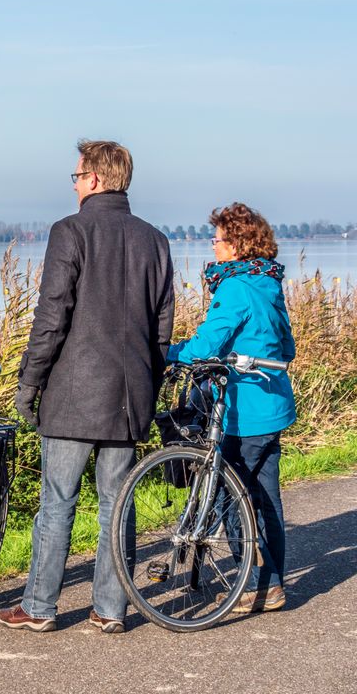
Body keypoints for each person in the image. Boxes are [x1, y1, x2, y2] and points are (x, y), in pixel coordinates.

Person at [0, 140, 175, 635]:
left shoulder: (70, 231)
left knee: (57, 501)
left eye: (76, 176)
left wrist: (29, 382)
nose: (74, 184)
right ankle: (111, 609)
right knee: (119, 504)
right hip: (128, 397)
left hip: (74, 395)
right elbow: (163, 328)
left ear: (95, 179)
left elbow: (51, 317)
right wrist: (149, 385)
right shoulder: (155, 240)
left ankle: (38, 607)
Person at [167, 202, 295, 613]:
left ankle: (255, 584)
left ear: (237, 244)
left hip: (242, 409)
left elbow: (205, 346)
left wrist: (165, 353)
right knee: (265, 496)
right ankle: (270, 583)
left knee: (231, 493)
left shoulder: (236, 288)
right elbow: (287, 346)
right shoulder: (268, 283)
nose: (213, 244)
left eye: (218, 239)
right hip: (272, 403)